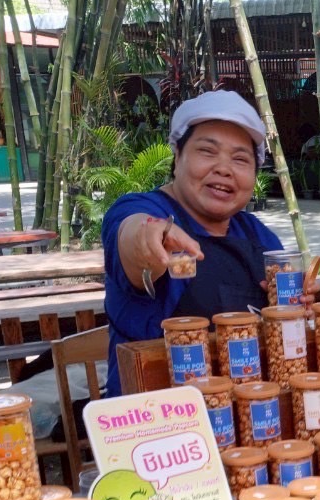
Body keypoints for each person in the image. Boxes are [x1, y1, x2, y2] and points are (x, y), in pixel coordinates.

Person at [101, 90, 284, 396]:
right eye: (207, 151)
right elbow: (132, 237)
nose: (224, 168)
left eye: (240, 159)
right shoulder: (139, 210)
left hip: (246, 413)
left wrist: (293, 302)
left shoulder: (257, 236)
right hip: (157, 420)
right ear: (177, 158)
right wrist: (150, 237)